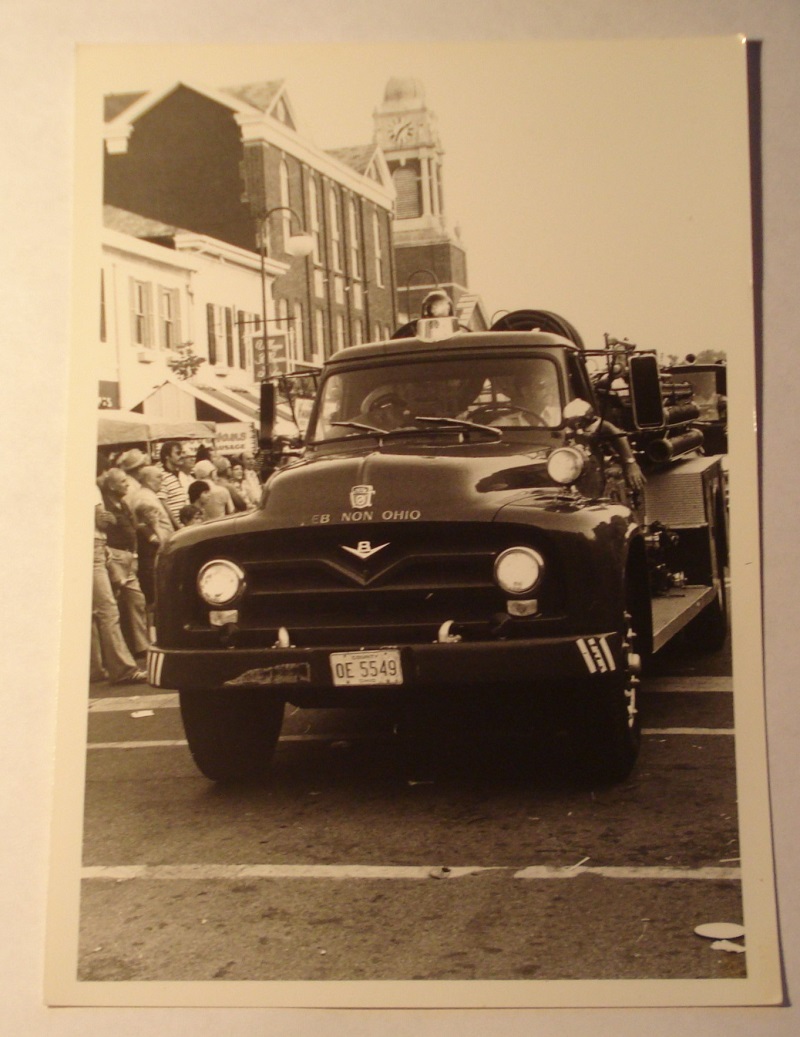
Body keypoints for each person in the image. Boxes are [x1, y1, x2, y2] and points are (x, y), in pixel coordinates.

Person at [90, 482, 147, 685]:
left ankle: (93, 668)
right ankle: (122, 669)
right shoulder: (88, 486)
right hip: (92, 545)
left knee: (90, 613)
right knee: (108, 610)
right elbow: (101, 521)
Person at [100, 467, 150, 660]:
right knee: (116, 603)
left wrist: (135, 555)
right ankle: (121, 650)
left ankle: (141, 645)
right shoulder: (104, 506)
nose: (127, 484)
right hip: (115, 555)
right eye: (122, 482)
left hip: (128, 556)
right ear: (111, 486)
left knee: (137, 600)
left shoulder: (123, 504)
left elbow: (132, 529)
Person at [158, 441, 188, 527]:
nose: (182, 456)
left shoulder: (179, 474)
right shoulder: (161, 475)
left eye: (182, 453)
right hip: (175, 527)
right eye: (178, 453)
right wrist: (177, 525)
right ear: (167, 456)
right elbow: (163, 504)